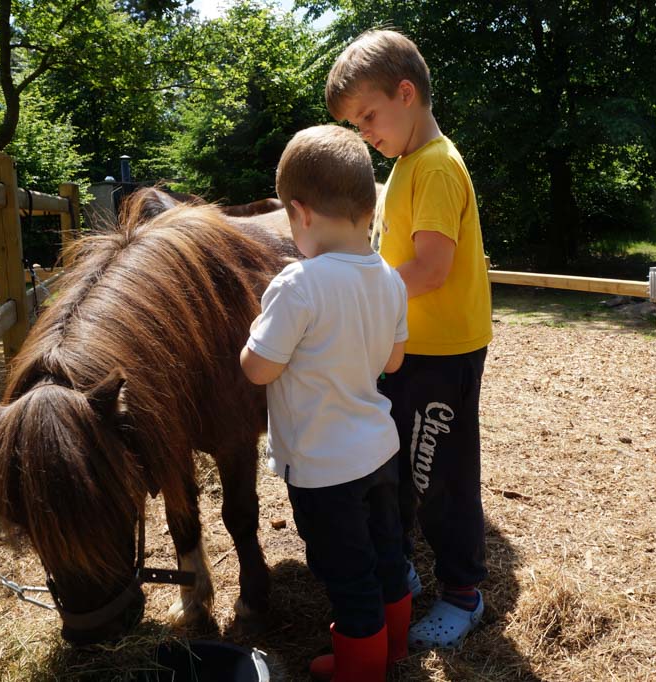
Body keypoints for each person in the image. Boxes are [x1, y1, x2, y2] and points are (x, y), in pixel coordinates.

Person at [326, 29, 493, 650]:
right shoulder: (403, 167)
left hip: (443, 353)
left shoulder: (438, 167)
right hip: (410, 349)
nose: (364, 131)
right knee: (401, 473)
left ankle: (463, 593)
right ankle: (408, 573)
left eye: (368, 116)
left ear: (406, 93)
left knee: (439, 476)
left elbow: (430, 269)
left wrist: (352, 293)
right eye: (354, 123)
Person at [240, 125, 410, 681]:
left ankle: (361, 669)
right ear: (369, 207)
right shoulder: (389, 278)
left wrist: (255, 339)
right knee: (387, 555)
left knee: (347, 575)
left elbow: (259, 368)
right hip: (382, 452)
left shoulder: (297, 285)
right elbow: (393, 363)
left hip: (323, 468)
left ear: (300, 213)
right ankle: (394, 647)